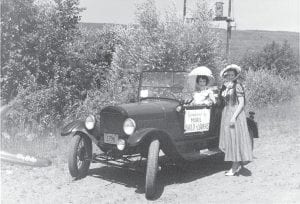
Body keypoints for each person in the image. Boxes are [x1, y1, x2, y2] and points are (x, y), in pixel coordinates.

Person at [218, 64, 253, 176]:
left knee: (234, 139)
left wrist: (234, 117)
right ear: (226, 75)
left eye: (233, 75)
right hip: (226, 112)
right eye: (228, 74)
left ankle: (235, 166)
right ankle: (235, 163)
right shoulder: (225, 86)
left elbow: (241, 103)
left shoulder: (237, 86)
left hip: (235, 113)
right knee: (229, 139)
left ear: (236, 75)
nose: (230, 76)